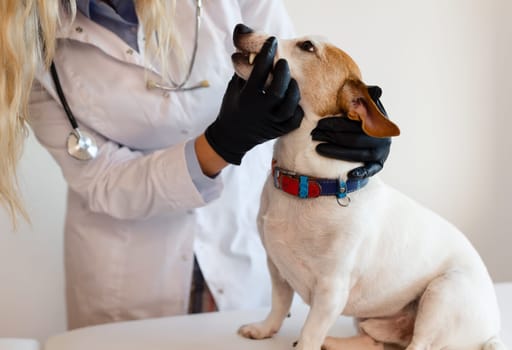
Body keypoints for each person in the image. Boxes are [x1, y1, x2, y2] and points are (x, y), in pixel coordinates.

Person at [1, 0, 391, 329]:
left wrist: (352, 126)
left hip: (244, 246)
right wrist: (219, 145)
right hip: (127, 278)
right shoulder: (26, 44)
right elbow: (103, 180)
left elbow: (294, 70)